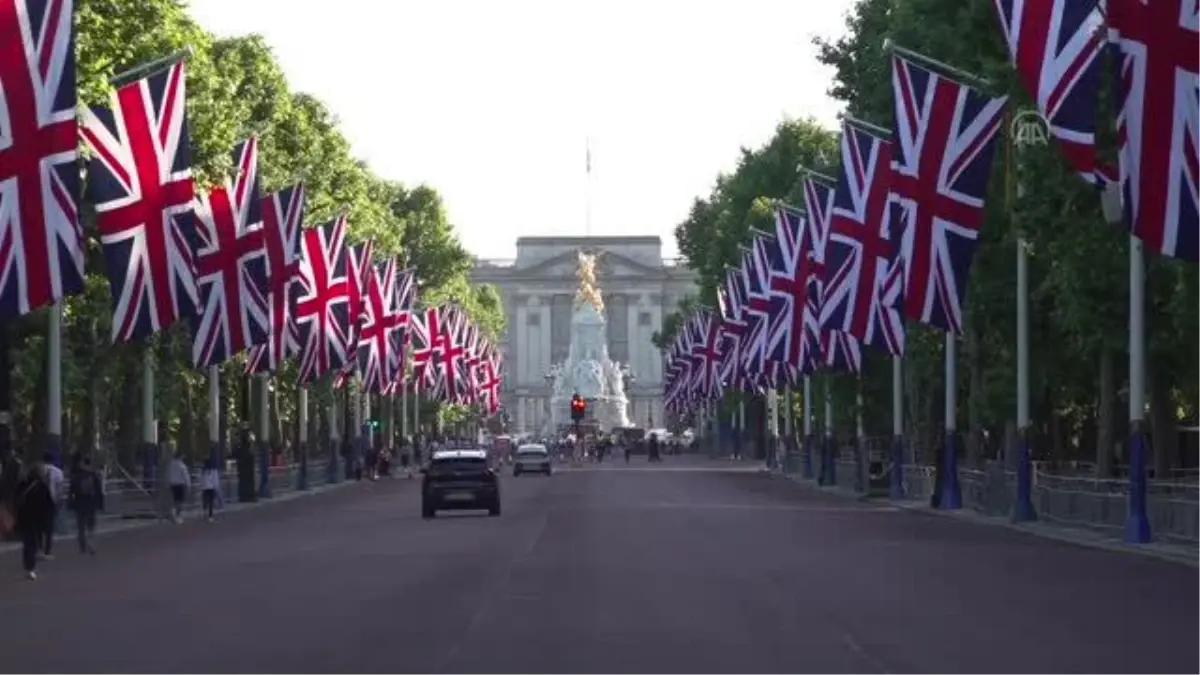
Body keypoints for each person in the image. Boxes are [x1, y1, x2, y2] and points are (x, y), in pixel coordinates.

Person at [15, 460, 54, 580]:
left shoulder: (23, 484)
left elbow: (17, 499)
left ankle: (29, 566)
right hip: (36, 519)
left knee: (28, 543)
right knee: (33, 542)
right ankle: (31, 567)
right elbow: (48, 504)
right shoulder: (41, 486)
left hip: (24, 517)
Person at [68, 454, 103, 555]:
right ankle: (91, 544)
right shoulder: (93, 475)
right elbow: (98, 490)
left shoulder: (76, 476)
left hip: (80, 503)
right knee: (91, 525)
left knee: (81, 525)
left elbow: (71, 491)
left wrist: (71, 503)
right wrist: (100, 503)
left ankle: (82, 545)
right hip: (91, 503)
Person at [42, 452, 65, 559]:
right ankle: (47, 550)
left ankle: (38, 548)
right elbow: (60, 489)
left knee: (38, 525)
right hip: (50, 501)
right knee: (49, 527)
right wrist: (58, 500)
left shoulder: (37, 470)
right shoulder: (57, 472)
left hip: (36, 502)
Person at [167, 455, 190, 523]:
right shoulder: (182, 465)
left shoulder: (171, 464)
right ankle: (178, 516)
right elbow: (186, 476)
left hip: (173, 484)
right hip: (180, 484)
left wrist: (169, 483)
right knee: (180, 501)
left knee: (175, 500)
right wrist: (188, 485)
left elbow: (168, 474)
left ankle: (173, 512)